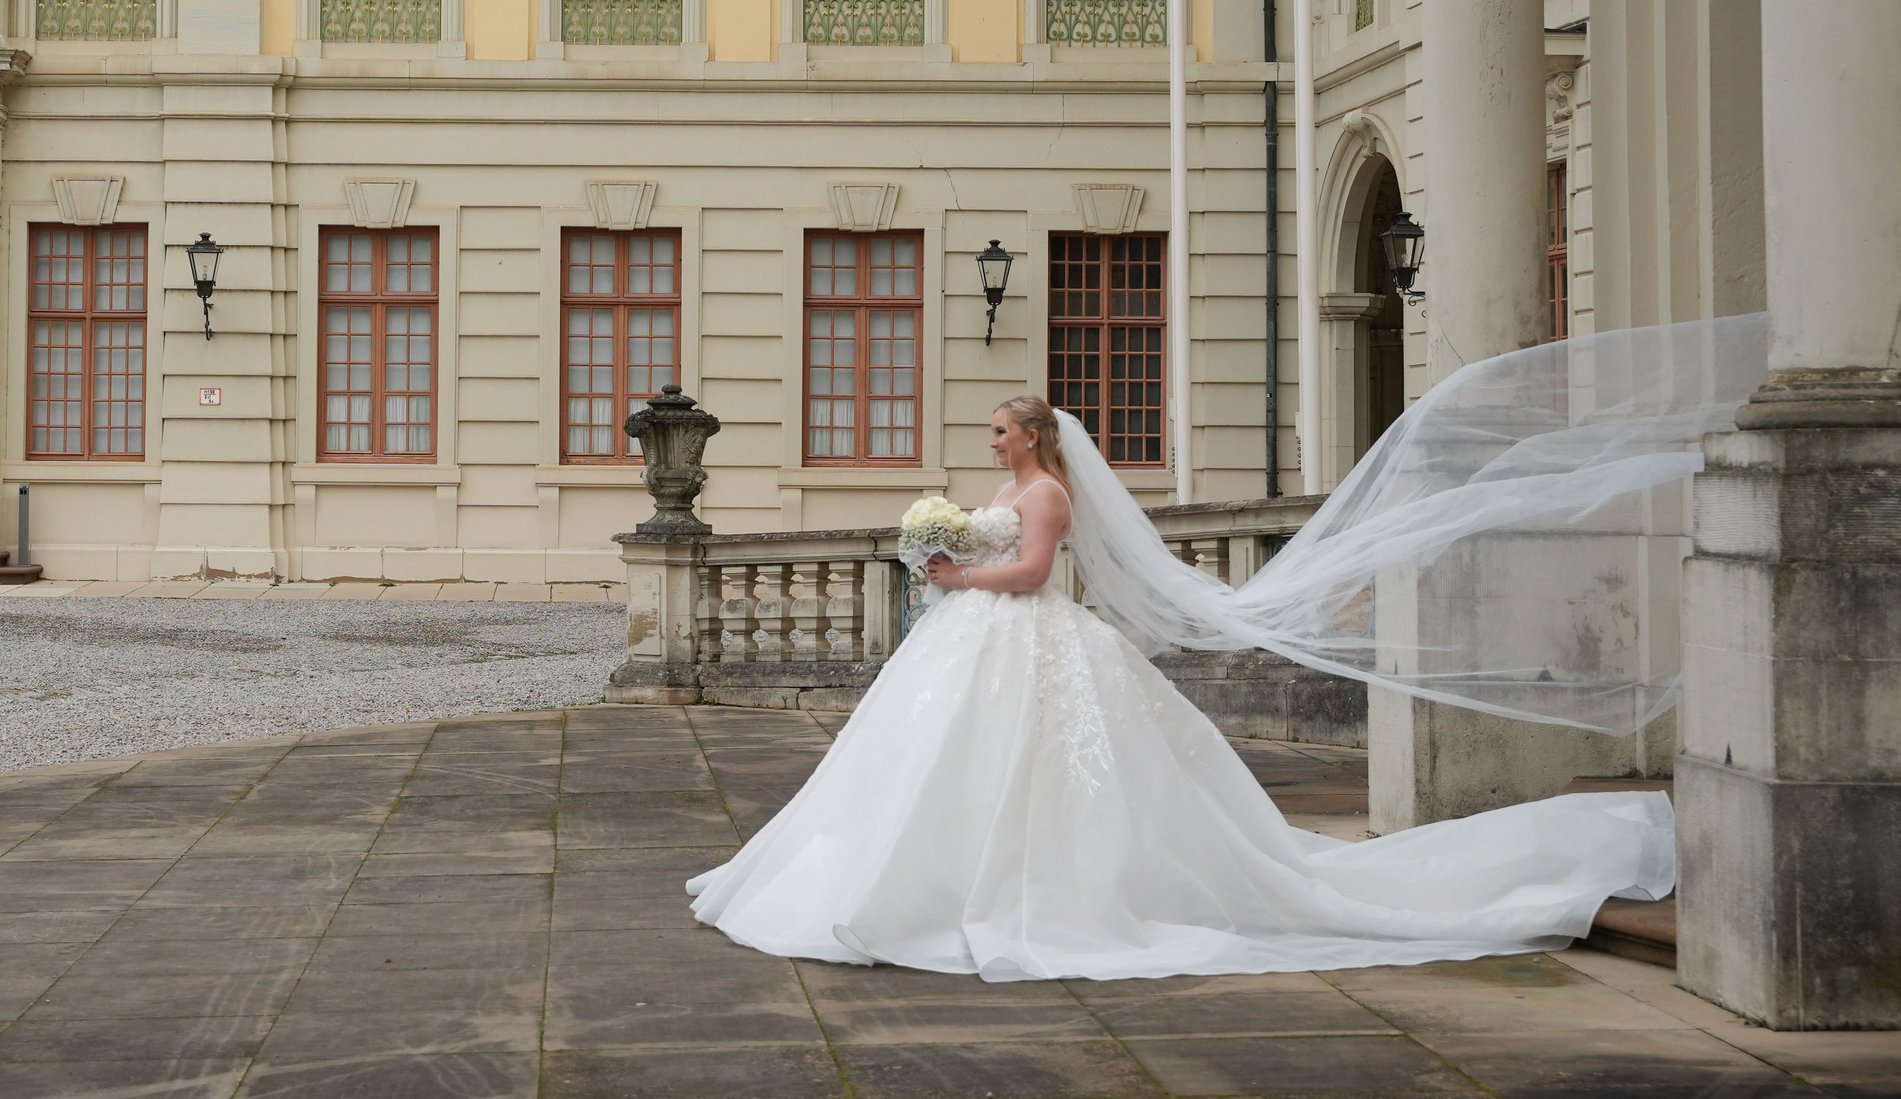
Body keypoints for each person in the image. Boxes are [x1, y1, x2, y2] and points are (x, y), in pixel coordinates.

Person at [688, 394, 1674, 981]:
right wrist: (940, 553)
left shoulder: (1046, 494)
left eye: (998, 430)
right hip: (968, 640)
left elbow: (1032, 575)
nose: (988, 442)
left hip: (1018, 631)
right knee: (933, 763)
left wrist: (956, 575)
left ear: (1030, 437)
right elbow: (989, 551)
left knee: (1036, 770)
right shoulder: (1000, 491)